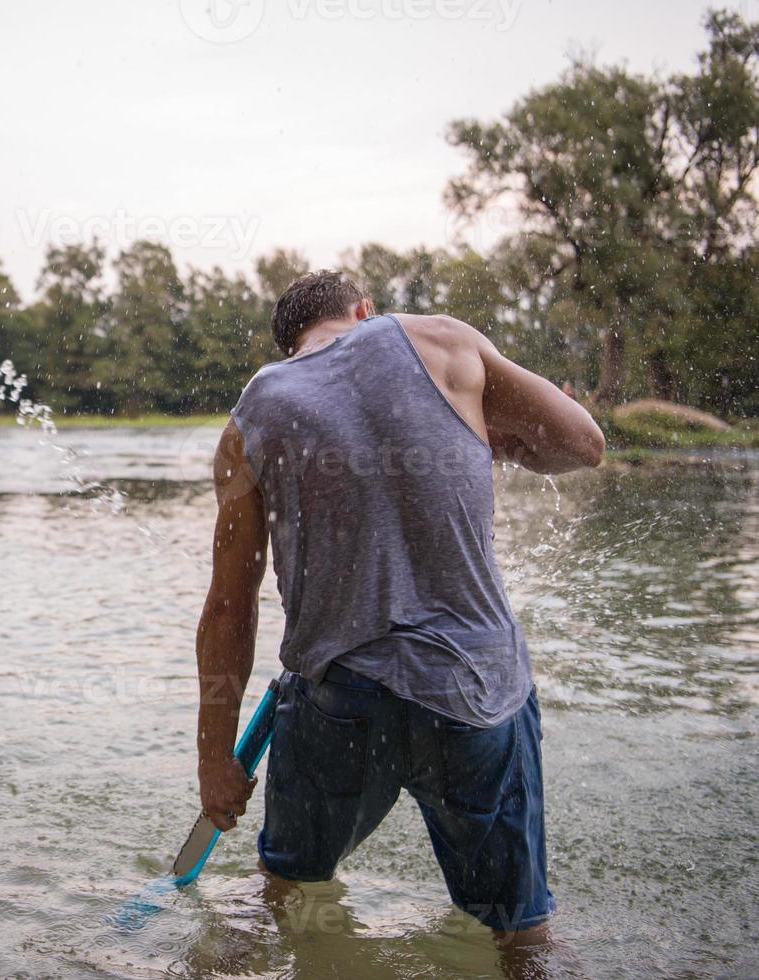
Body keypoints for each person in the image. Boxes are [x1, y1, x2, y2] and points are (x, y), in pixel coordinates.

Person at [194, 271, 604, 961]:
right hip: (473, 692)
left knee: (287, 898)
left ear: (290, 341)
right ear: (362, 311)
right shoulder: (440, 339)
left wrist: (214, 756)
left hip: (335, 702)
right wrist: (495, 438)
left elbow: (229, 606)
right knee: (521, 938)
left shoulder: (248, 419)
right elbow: (581, 444)